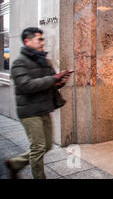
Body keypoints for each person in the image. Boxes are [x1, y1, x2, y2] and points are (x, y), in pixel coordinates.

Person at [4, 27, 73, 179]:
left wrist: (60, 82)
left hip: (44, 109)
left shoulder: (44, 60)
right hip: (29, 112)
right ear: (27, 41)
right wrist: (54, 78)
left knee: (46, 145)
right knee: (38, 147)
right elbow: (26, 85)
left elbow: (49, 83)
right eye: (39, 39)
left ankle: (16, 163)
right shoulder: (19, 63)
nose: (43, 42)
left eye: (42, 39)